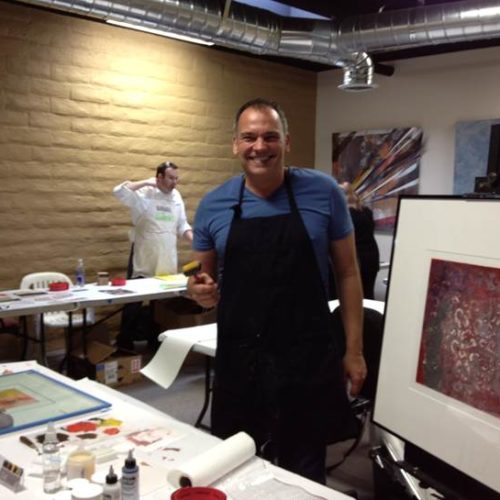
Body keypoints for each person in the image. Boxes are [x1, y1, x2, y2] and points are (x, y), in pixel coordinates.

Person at [187, 98, 366, 484]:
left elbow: (349, 273)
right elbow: (200, 280)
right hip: (241, 360)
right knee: (239, 468)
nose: (260, 146)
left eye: (270, 136)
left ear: (287, 141)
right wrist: (199, 292)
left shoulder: (323, 192)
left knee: (305, 472)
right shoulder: (214, 204)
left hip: (307, 357)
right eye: (249, 137)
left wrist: (353, 351)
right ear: (235, 144)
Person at [113, 161, 193, 349]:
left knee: (160, 303)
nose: (174, 182)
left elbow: (182, 224)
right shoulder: (144, 193)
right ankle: (124, 342)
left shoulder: (176, 196)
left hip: (166, 255)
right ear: (159, 177)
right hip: (144, 255)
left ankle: (155, 341)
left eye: (176, 178)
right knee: (134, 299)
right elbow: (118, 191)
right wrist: (146, 182)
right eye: (170, 178)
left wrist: (195, 240)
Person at [341, 182, 380, 299]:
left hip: (357, 257)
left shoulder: (345, 215)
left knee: (353, 296)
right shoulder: (367, 211)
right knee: (368, 293)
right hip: (372, 255)